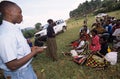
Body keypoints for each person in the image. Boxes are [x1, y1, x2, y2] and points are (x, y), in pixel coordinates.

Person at [0, 1, 45, 79]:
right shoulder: (5, 34)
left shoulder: (13, 29)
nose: (22, 16)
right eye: (19, 12)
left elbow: (18, 50)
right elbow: (12, 65)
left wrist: (31, 49)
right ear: (9, 12)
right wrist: (34, 52)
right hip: (19, 74)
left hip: (25, 70)